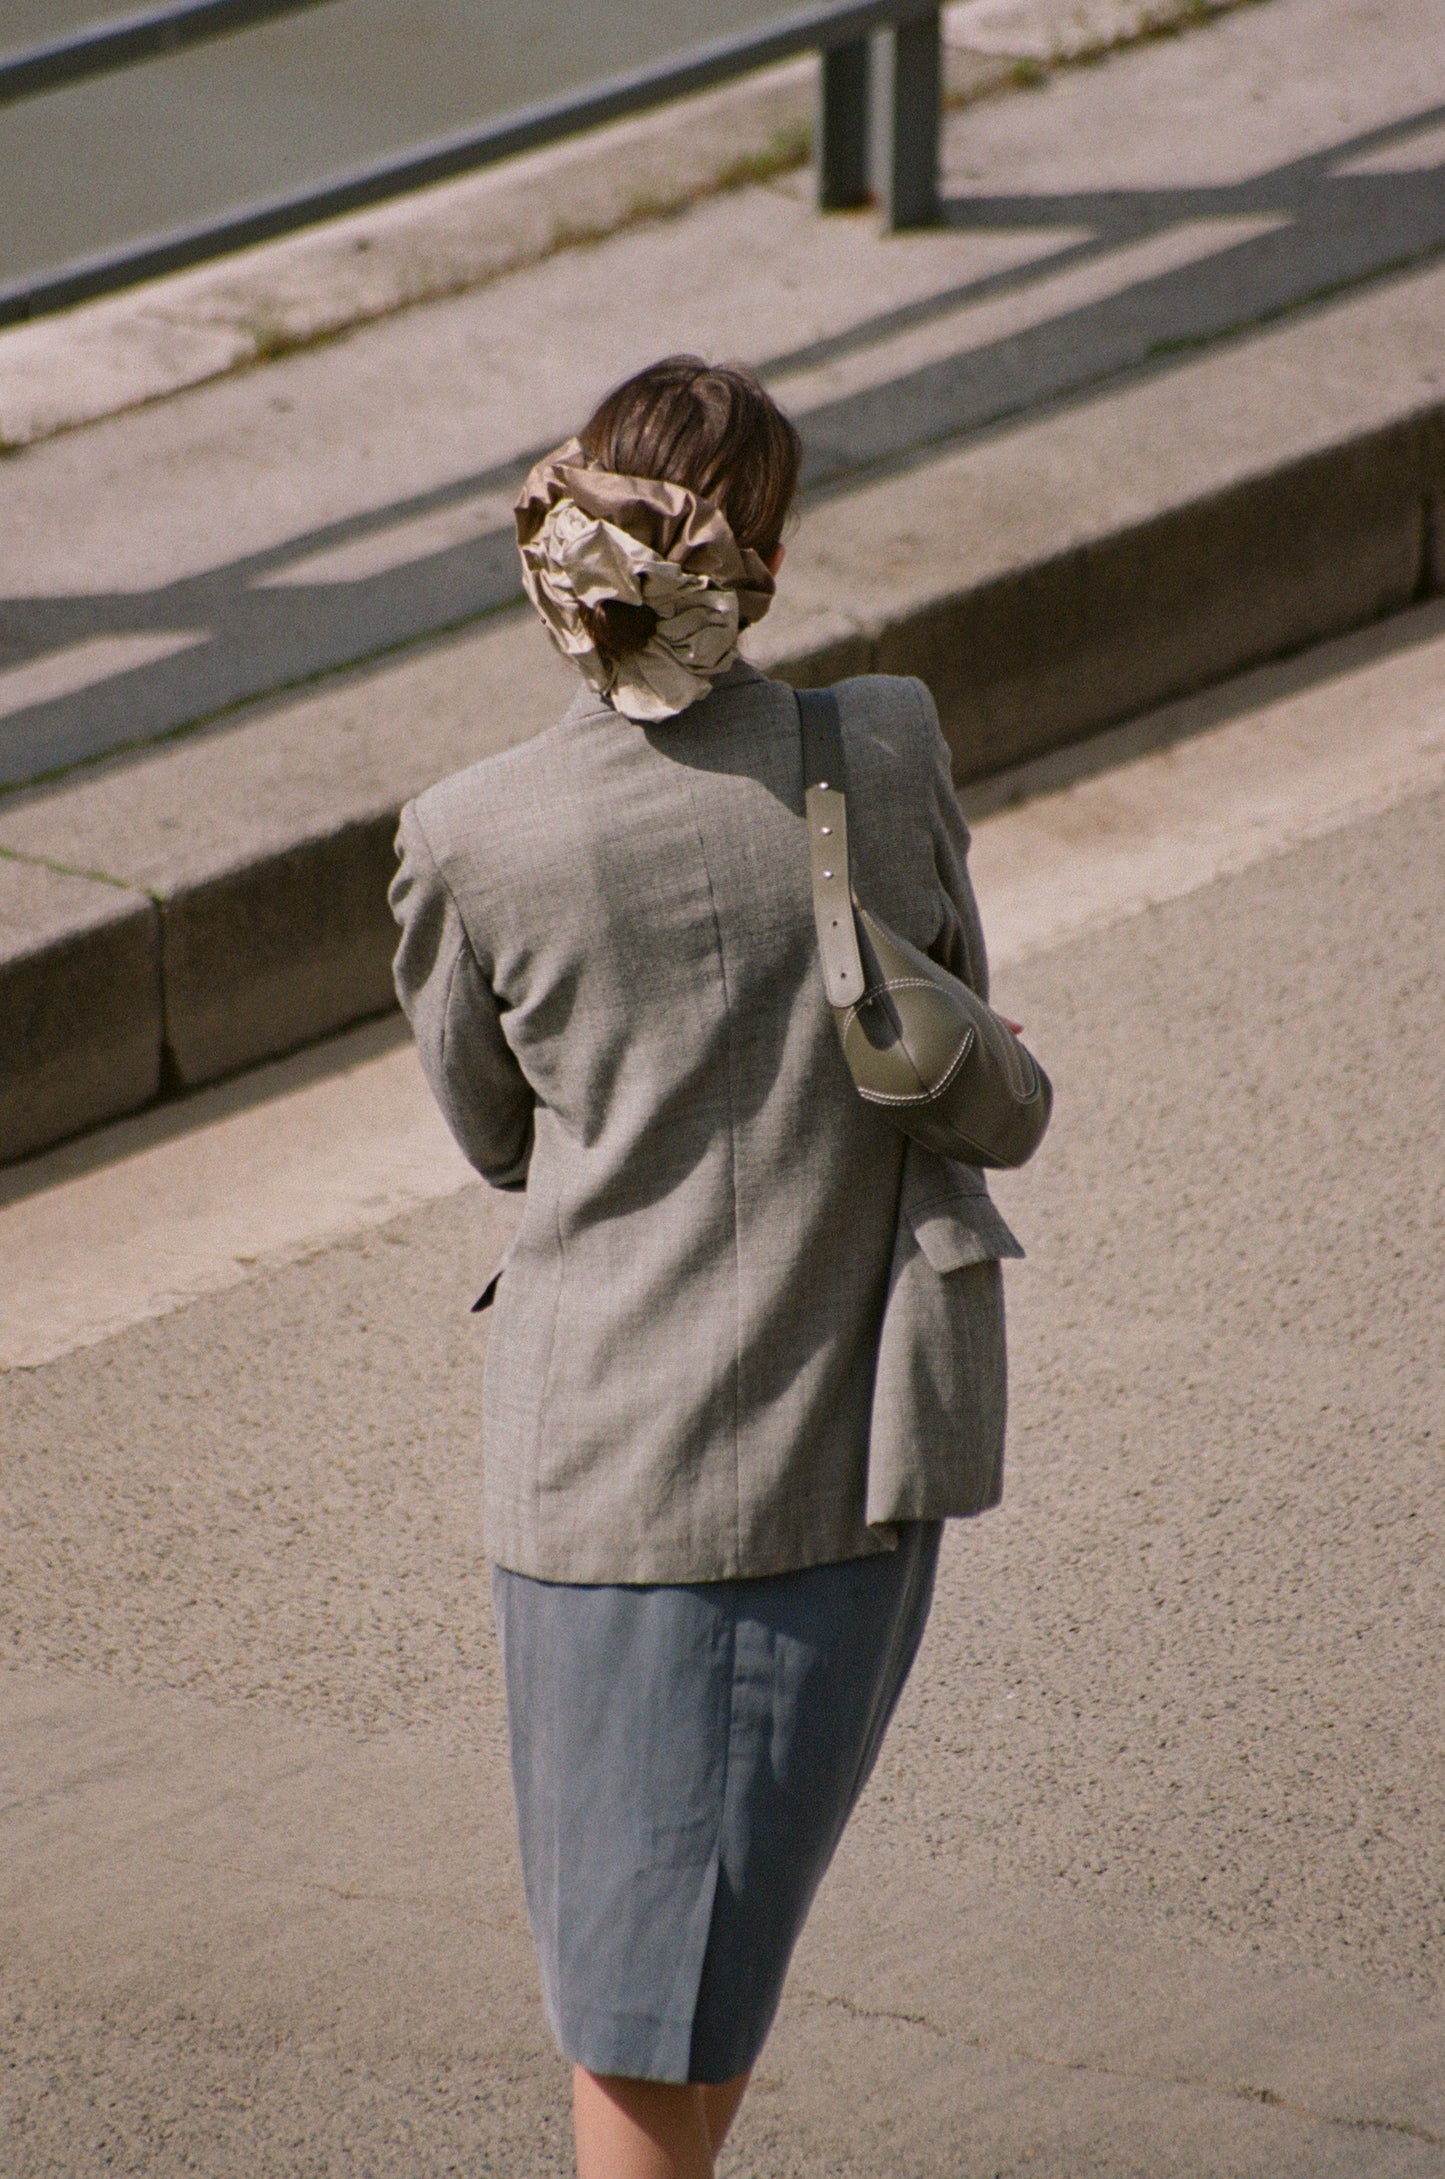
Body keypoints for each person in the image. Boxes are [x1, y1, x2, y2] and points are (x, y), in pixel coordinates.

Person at [390, 355, 1024, 2179]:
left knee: (637, 1987)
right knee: (688, 1982)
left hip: (594, 1472)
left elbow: (498, 1136)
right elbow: (957, 1014)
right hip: (848, 1447)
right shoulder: (883, 744)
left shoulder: (468, 833)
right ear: (763, 560)